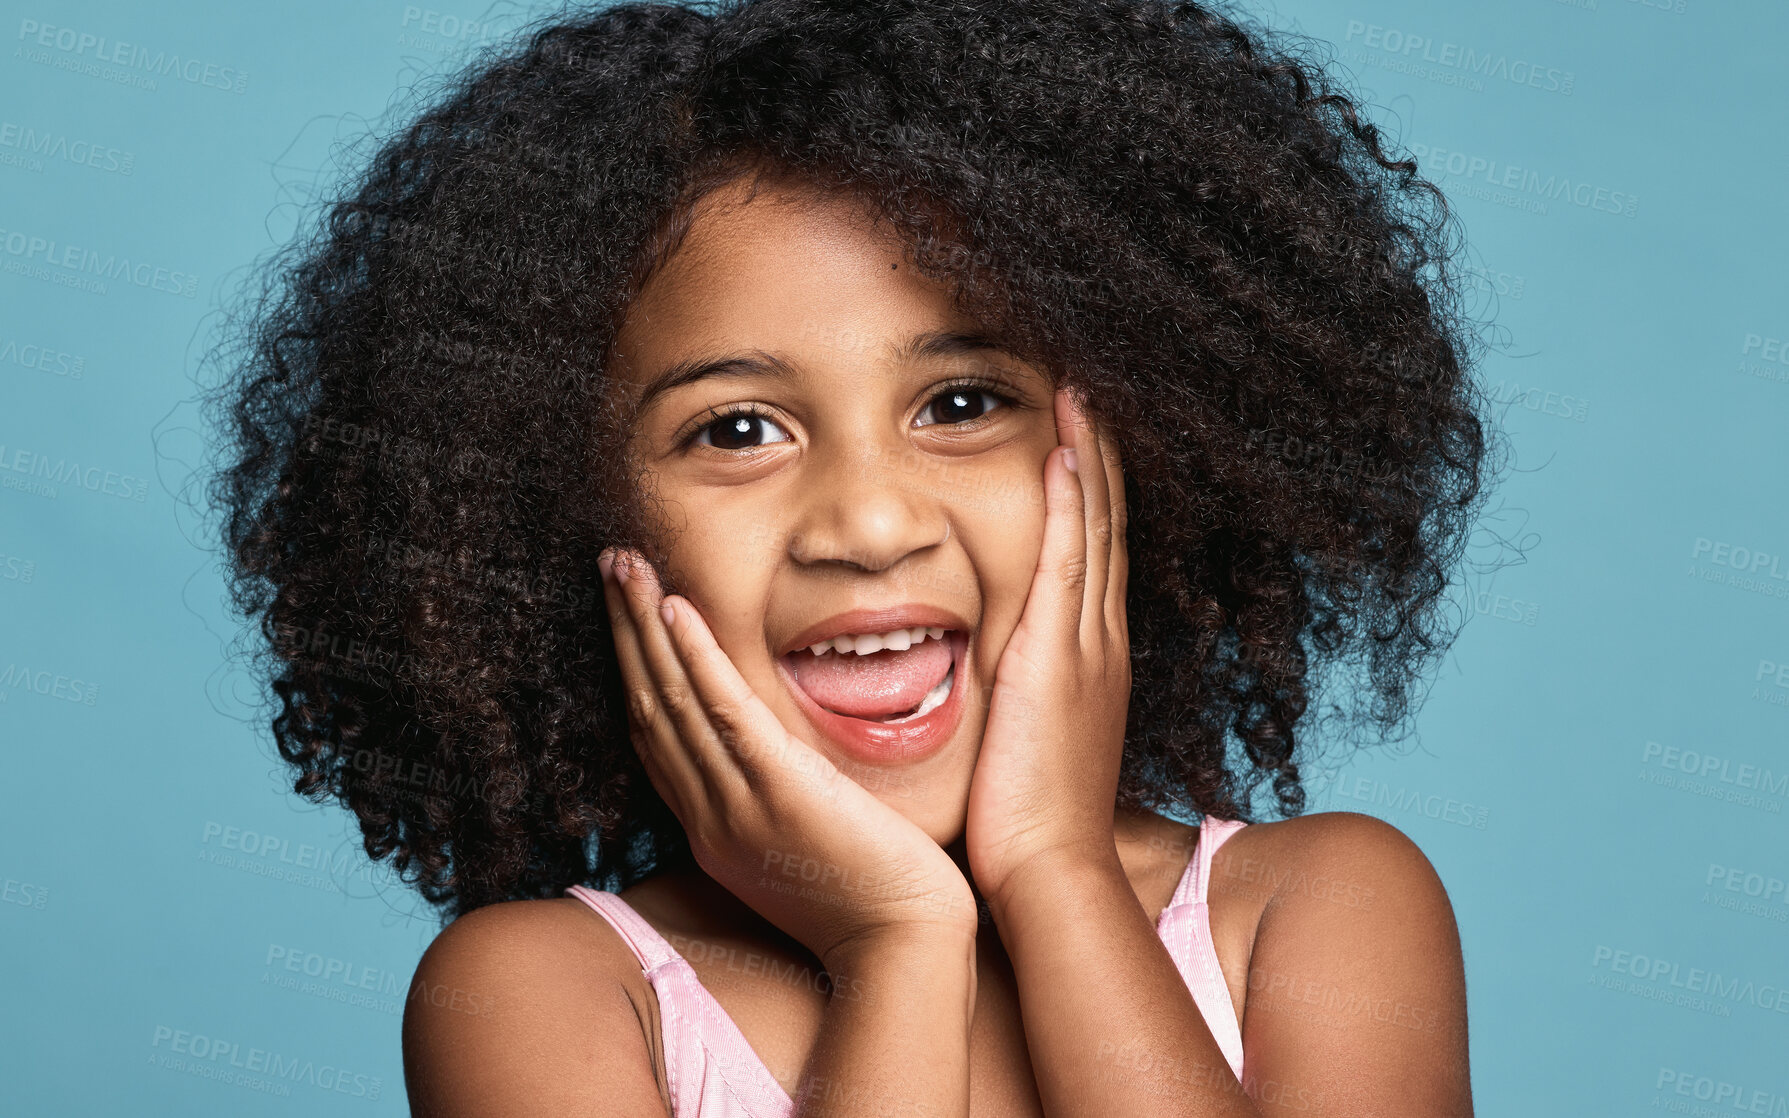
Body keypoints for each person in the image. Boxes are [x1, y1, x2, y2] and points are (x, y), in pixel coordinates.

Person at [209, 1, 1496, 1114]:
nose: (871, 526)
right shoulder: (549, 993)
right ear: (558, 511)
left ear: (1142, 437)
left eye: (959, 402)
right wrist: (895, 946)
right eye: (738, 428)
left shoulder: (1317, 910)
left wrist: (1054, 870)